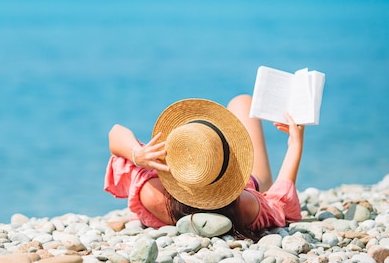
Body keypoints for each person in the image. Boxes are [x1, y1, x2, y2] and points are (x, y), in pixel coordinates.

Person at [104, 94, 303, 239]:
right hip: (252, 182)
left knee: (241, 103)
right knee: (242, 102)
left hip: (180, 198)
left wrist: (137, 155)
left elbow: (115, 133)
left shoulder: (150, 192)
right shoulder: (243, 204)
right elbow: (281, 204)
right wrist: (295, 145)